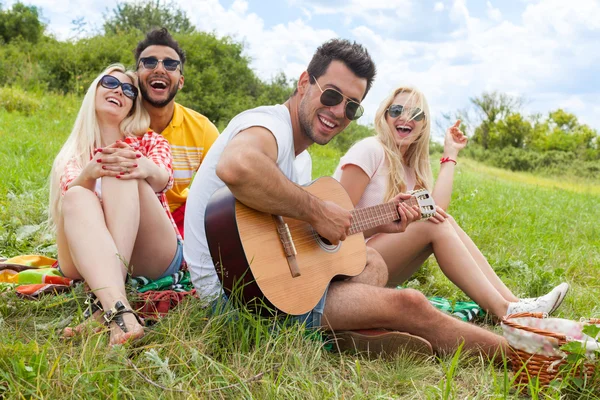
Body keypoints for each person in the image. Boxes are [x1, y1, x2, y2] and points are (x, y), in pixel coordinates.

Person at [184, 39, 510, 358]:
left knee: (372, 264)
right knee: (410, 303)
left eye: (351, 106)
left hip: (266, 283)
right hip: (236, 302)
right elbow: (237, 165)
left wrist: (377, 221)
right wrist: (316, 210)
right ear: (303, 83)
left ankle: (345, 334)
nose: (338, 111)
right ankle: (525, 354)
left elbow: (297, 236)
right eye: (331, 95)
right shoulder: (268, 124)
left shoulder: (302, 161)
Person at [333, 86, 569, 318]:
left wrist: (451, 154)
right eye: (396, 110)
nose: (405, 117)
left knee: (442, 220)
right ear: (384, 115)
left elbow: (436, 211)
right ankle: (505, 311)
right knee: (431, 222)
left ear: (424, 124)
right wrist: (387, 219)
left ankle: (514, 304)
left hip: (374, 267)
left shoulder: (409, 167)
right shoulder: (370, 149)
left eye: (415, 114)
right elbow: (335, 223)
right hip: (339, 268)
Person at [49, 64, 182, 345]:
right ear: (94, 90)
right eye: (110, 82)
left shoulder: (149, 142)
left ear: (134, 105)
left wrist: (141, 165)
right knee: (75, 194)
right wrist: (89, 172)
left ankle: (108, 306)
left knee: (121, 165)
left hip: (151, 252)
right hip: (83, 257)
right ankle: (117, 309)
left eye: (129, 90)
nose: (118, 91)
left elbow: (163, 179)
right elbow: (69, 203)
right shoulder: (74, 153)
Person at [133, 27, 219, 237]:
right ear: (136, 76)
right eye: (149, 62)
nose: (160, 69)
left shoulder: (202, 128)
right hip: (125, 211)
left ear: (180, 81)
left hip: (178, 218)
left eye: (170, 64)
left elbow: (222, 187)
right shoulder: (117, 119)